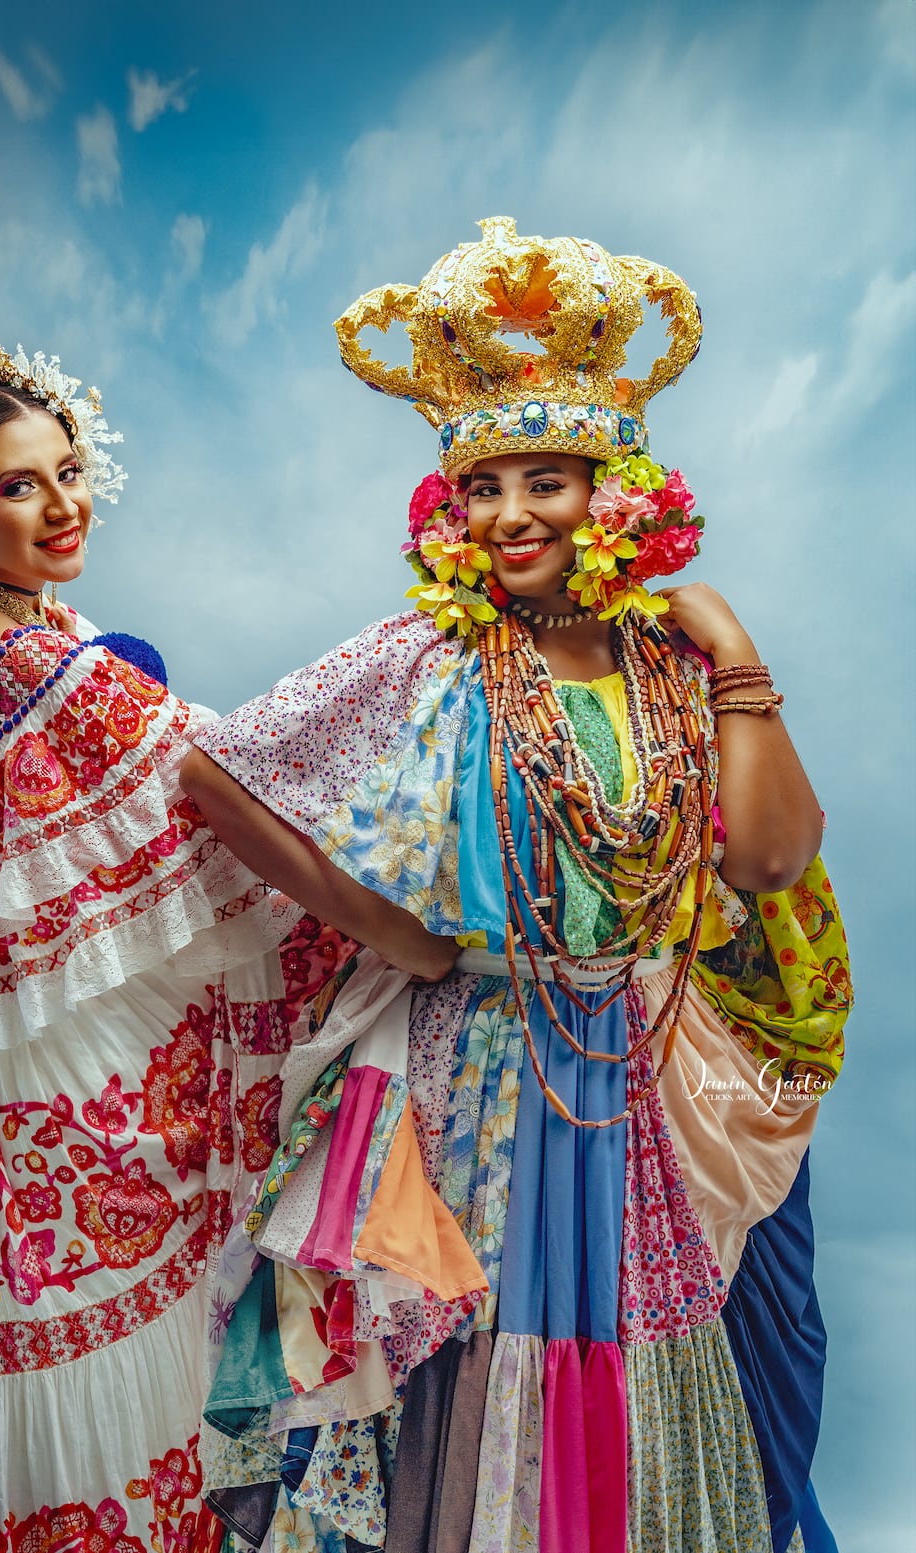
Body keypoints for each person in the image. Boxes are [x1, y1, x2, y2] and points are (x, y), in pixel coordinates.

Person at [181, 220, 851, 1552]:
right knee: (474, 1358)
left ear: (622, 496)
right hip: (479, 1074)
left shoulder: (675, 667)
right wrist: (400, 935)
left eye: (549, 479)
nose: (512, 516)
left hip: (652, 1077)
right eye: (485, 487)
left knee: (651, 1365)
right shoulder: (435, 655)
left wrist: (734, 649)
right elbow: (216, 777)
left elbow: (770, 861)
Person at [0, 341, 390, 1551]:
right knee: (100, 1398)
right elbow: (232, 799)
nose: (62, 507)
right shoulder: (47, 666)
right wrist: (399, 927)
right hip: (48, 1119)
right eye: (17, 485)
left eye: (68, 470)